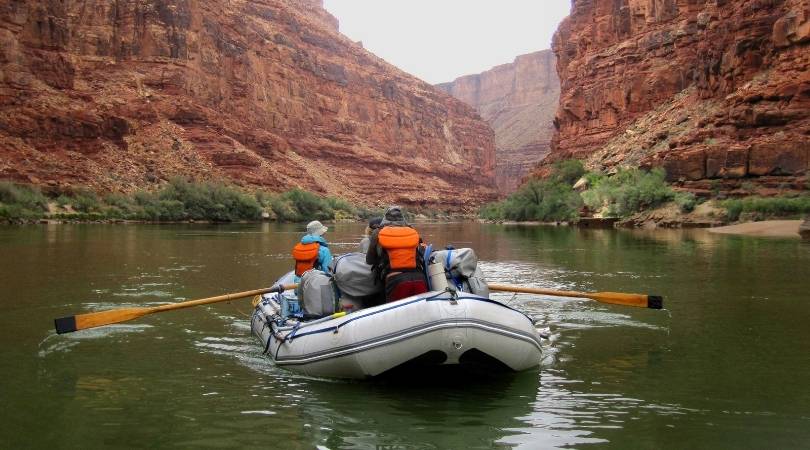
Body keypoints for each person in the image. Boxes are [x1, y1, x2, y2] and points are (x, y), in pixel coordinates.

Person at [366, 206, 427, 302]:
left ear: (385, 218)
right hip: (420, 278)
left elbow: (369, 260)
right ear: (403, 218)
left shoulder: (378, 233)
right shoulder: (412, 231)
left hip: (395, 280)